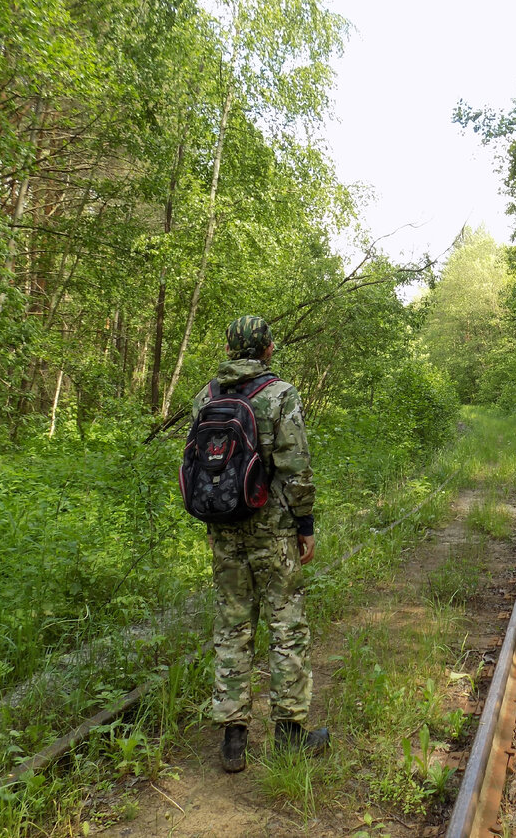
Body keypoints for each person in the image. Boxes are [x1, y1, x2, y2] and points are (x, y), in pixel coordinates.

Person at [192, 315, 329, 772]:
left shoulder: (205, 397)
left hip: (224, 529)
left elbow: (200, 470)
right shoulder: (279, 395)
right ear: (267, 348)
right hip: (271, 531)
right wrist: (304, 523)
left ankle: (233, 738)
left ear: (231, 348)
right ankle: (290, 734)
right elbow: (295, 466)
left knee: (232, 625)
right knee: (286, 624)